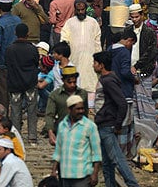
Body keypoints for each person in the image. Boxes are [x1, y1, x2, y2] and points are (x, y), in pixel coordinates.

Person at [93, 50, 140, 187]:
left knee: (118, 160)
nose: (93, 65)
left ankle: (132, 184)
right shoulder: (106, 79)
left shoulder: (108, 81)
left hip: (107, 125)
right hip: (103, 125)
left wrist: (118, 124)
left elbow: (122, 103)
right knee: (107, 163)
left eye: (95, 63)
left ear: (101, 65)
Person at [51, 94, 101, 187]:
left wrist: (95, 173)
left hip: (82, 175)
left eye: (82, 108)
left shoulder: (89, 126)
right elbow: (58, 150)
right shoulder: (62, 125)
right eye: (78, 109)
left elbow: (96, 153)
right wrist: (54, 171)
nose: (81, 111)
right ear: (69, 110)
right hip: (65, 174)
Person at [44, 65, 87, 146]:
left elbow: (85, 114)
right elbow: (49, 115)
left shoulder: (83, 94)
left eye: (74, 82)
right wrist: (50, 132)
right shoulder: (55, 95)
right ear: (63, 80)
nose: (72, 85)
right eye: (69, 82)